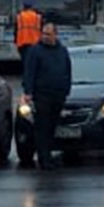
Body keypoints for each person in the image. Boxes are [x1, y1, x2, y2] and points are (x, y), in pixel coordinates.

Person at [21, 23, 72, 170]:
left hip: (58, 95)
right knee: (42, 128)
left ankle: (49, 156)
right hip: (42, 95)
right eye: (43, 33)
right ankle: (44, 159)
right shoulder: (35, 51)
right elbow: (29, 73)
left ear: (55, 35)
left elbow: (67, 71)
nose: (45, 37)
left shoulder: (62, 51)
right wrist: (28, 92)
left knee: (52, 128)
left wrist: (66, 90)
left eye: (48, 34)